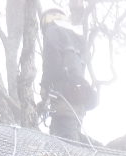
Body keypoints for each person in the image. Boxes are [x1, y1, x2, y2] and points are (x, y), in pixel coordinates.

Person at [39, 8, 97, 142]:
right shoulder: (76, 36)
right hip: (78, 99)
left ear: (50, 18)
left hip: (63, 98)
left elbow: (51, 59)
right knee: (72, 136)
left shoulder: (53, 30)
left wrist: (45, 86)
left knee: (63, 144)